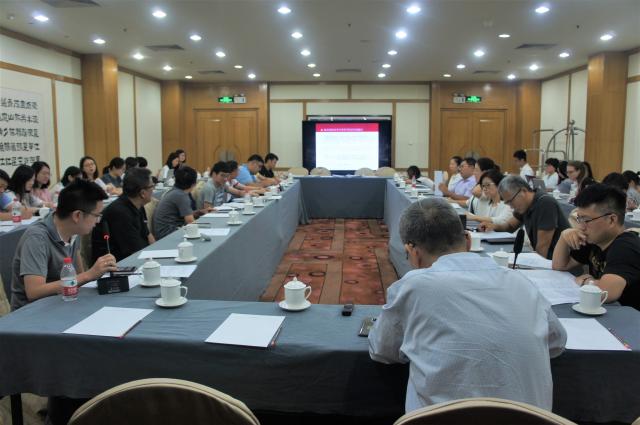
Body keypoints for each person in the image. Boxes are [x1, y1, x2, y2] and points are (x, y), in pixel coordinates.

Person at [368, 197, 566, 412]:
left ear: (412, 252)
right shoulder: (520, 282)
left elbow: (382, 350)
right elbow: (557, 342)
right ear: (468, 240)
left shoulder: (412, 286)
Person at [11, 179, 117, 310]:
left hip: (65, 302)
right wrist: (89, 275)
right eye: (96, 215)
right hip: (32, 312)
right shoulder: (36, 238)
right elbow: (34, 291)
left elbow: (78, 277)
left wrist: (95, 273)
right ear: (77, 215)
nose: (97, 221)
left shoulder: (74, 231)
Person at [552, 184, 640, 310]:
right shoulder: (595, 239)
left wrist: (586, 281)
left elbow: (606, 293)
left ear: (611, 220)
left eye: (586, 220)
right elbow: (559, 266)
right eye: (579, 219)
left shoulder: (625, 247)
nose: (581, 226)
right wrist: (563, 236)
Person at [478, 175, 570, 259]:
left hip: (560, 263)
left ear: (523, 191)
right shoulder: (525, 204)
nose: (511, 207)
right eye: (507, 203)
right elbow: (510, 226)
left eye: (511, 201)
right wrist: (493, 226)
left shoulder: (545, 203)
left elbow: (542, 247)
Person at [91, 168, 156, 262]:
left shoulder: (138, 205)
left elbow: (147, 234)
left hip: (134, 257)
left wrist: (156, 255)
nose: (153, 189)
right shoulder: (119, 213)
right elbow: (134, 251)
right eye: (152, 186)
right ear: (142, 193)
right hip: (115, 265)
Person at [152, 166, 207, 240]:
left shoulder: (175, 191)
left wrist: (199, 212)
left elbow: (186, 214)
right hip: (167, 234)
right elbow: (191, 222)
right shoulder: (181, 195)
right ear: (194, 184)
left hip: (163, 231)